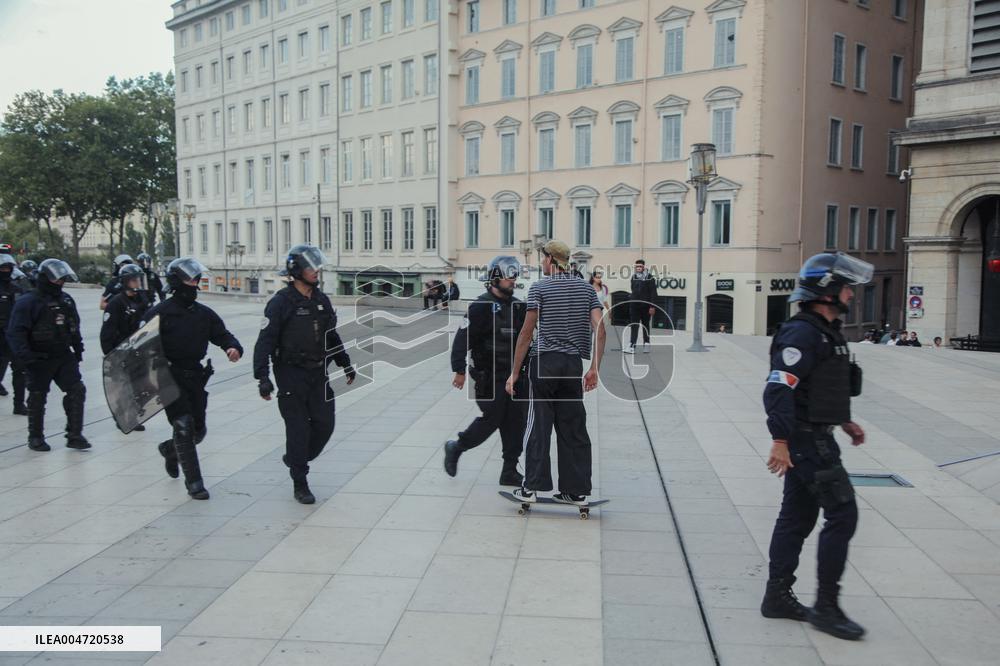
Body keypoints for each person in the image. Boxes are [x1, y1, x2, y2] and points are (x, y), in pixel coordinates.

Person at [760, 251, 873, 641]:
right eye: (847, 289)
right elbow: (778, 387)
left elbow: (817, 384)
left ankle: (777, 597)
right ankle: (826, 607)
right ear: (828, 292)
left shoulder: (825, 331)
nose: (851, 296)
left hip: (816, 435)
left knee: (797, 517)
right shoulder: (802, 333)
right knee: (843, 515)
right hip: (807, 443)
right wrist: (780, 440)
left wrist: (843, 420)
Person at [506, 240, 606, 507]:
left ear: (551, 259)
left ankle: (532, 488)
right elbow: (601, 330)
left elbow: (527, 333)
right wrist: (594, 368)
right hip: (572, 366)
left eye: (543, 258)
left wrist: (514, 372)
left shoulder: (539, 288)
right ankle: (576, 491)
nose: (542, 263)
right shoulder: (587, 290)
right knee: (573, 428)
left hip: (545, 363)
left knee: (538, 426)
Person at [254, 245, 356, 504]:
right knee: (298, 430)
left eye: (317, 265)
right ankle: (300, 481)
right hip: (291, 375)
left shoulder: (321, 300)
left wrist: (345, 363)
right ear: (296, 270)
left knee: (325, 424)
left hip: (318, 373)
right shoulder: (280, 303)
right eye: (311, 266)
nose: (316, 271)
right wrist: (262, 377)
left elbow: (331, 335)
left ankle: (296, 458)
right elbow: (265, 341)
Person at [140, 257, 242, 500]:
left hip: (195, 377)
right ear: (177, 281)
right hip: (168, 376)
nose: (195, 283)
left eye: (196, 278)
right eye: (189, 278)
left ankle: (169, 450)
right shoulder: (158, 313)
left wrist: (232, 347)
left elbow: (223, 334)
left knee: (198, 431)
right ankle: (195, 483)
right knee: (183, 426)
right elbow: (139, 348)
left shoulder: (204, 314)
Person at [444, 256, 527, 487]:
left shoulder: (518, 306)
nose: (513, 281)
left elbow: (526, 340)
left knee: (515, 423)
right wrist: (458, 370)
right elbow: (462, 339)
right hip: (489, 377)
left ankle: (509, 470)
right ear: (495, 278)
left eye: (515, 277)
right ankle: (457, 447)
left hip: (513, 378)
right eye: (509, 277)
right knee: (492, 419)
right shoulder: (480, 306)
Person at [6, 259, 89, 451]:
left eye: (62, 279)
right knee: (37, 396)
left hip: (62, 355)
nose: (59, 282)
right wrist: (25, 356)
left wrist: (78, 349)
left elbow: (73, 326)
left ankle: (75, 435)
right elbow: (16, 332)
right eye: (56, 279)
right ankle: (35, 437)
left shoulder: (66, 300)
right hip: (38, 357)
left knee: (77, 390)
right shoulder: (28, 302)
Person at [100, 264, 152, 431]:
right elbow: (107, 332)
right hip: (121, 350)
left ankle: (134, 414)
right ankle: (125, 417)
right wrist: (111, 354)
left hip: (139, 349)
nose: (138, 283)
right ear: (126, 282)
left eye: (138, 279)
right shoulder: (116, 303)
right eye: (134, 280)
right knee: (124, 386)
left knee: (141, 385)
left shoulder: (143, 300)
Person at [0, 254, 28, 413]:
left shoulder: (17, 289)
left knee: (20, 369)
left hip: (13, 335)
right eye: (2, 268)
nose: (5, 271)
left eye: (7, 268)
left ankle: (19, 404)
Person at [625, 259, 657, 354]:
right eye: (636, 266)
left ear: (643, 267)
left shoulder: (650, 278)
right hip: (634, 305)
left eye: (640, 266)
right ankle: (632, 345)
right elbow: (633, 290)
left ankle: (646, 343)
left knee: (645, 325)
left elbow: (653, 293)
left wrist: (652, 306)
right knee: (634, 325)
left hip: (646, 306)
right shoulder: (633, 277)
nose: (638, 268)